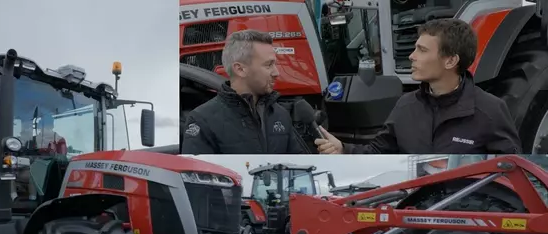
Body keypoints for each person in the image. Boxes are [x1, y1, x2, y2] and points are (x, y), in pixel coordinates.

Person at [315, 18, 521, 154]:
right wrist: (342, 148)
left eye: (422, 50)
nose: (412, 56)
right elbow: (378, 153)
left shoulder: (490, 111)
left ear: (450, 61)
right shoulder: (405, 107)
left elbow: (511, 173)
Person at [180, 30, 311, 154]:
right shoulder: (202, 120)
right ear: (240, 69)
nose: (276, 72)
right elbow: (196, 175)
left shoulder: (279, 115)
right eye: (268, 65)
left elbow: (298, 170)